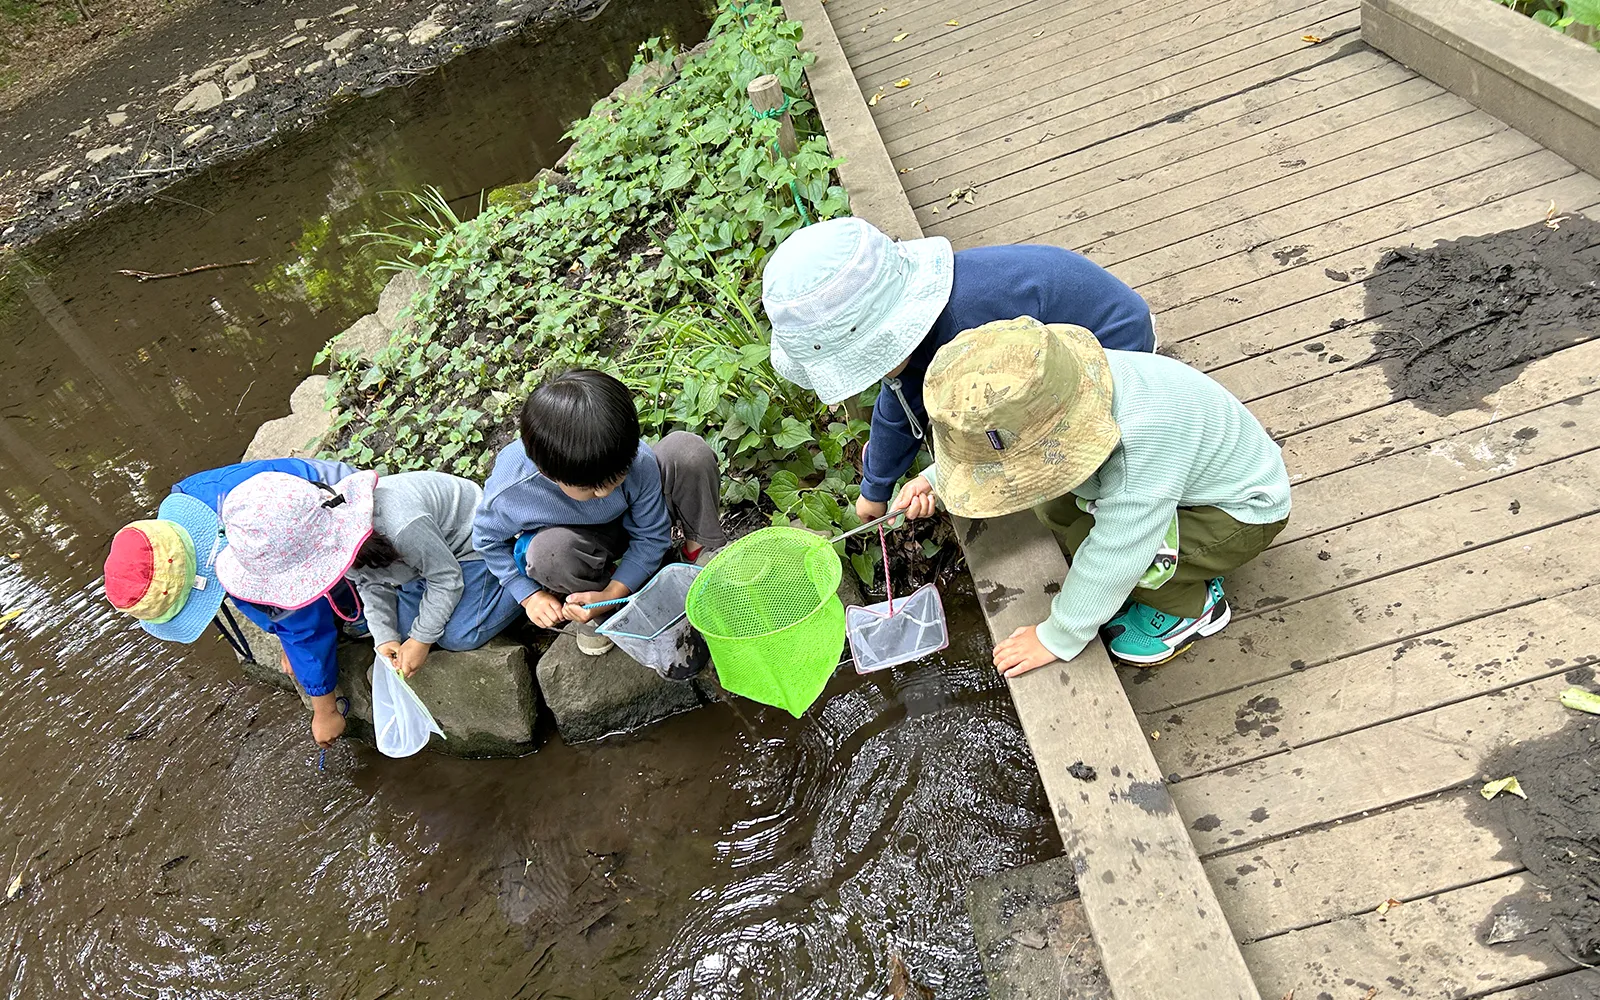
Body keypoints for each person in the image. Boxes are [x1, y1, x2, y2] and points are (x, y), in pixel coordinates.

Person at [893, 317, 1291, 673]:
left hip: (1238, 512)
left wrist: (1057, 635)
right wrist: (940, 481)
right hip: (1178, 485)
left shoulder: (1138, 444)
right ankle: (1169, 570)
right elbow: (1002, 442)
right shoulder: (1060, 383)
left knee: (1106, 548)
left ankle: (1194, 608)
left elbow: (1119, 550)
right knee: (1054, 506)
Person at [761, 217, 1156, 524]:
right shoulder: (925, 331)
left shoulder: (967, 332)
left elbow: (1002, 425)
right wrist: (875, 489)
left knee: (1066, 479)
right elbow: (899, 402)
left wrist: (939, 477)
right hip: (1047, 351)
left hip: (1110, 348)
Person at [105, 458, 362, 748]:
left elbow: (303, 622)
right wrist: (285, 638)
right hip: (308, 481)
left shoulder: (249, 557)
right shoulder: (190, 501)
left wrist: (325, 711)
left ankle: (358, 613)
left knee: (352, 617)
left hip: (343, 508)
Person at [472, 369, 727, 656]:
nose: (605, 492)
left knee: (687, 452)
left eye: (617, 477)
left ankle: (697, 556)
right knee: (548, 553)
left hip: (638, 519)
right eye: (590, 488)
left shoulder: (632, 459)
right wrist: (528, 596)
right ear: (547, 474)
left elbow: (650, 536)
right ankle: (600, 608)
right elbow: (487, 541)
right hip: (581, 544)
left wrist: (616, 590)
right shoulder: (512, 490)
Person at [345, 470, 523, 677]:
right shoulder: (336, 552)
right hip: (422, 562)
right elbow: (368, 582)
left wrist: (422, 639)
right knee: (402, 636)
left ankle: (525, 580)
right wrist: (385, 637)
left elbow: (445, 577)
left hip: (470, 545)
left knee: (457, 636)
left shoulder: (401, 525)